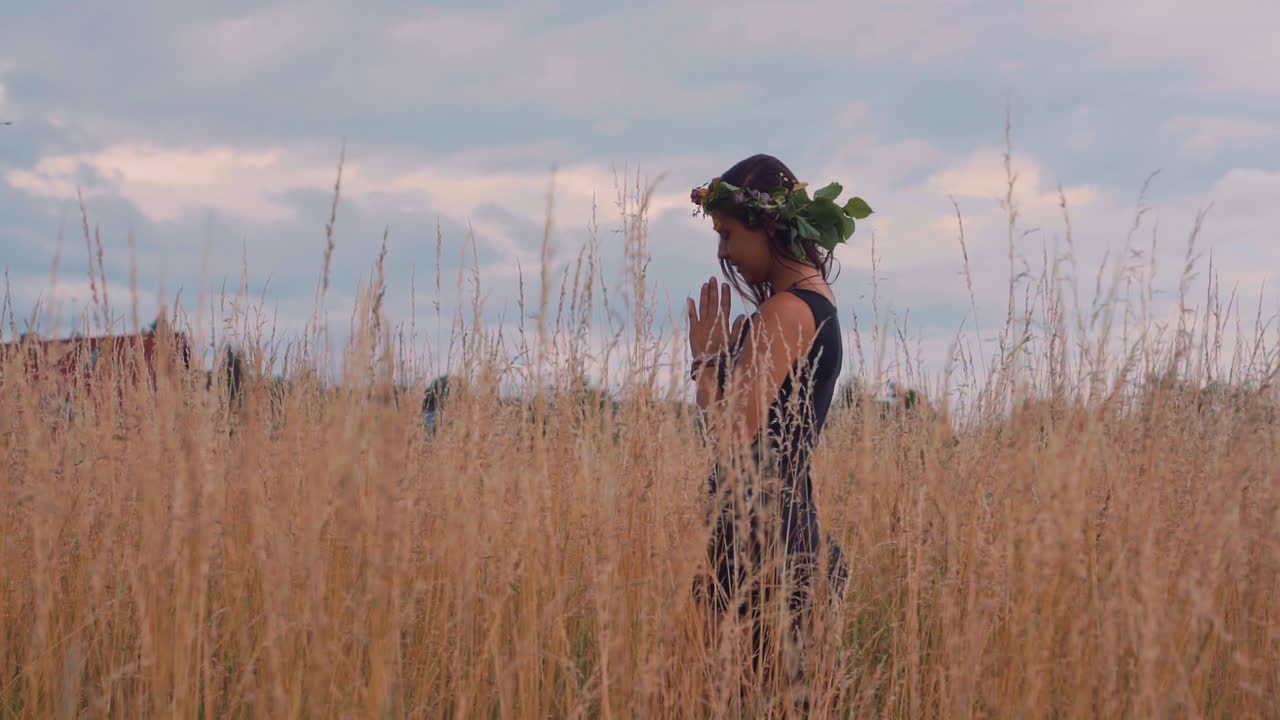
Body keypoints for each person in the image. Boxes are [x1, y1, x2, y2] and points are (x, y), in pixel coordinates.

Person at [686, 154, 871, 696]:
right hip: (780, 530)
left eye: (727, 233)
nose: (723, 252)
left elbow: (731, 443)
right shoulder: (814, 304)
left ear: (767, 226)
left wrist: (708, 366)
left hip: (763, 543)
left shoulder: (786, 311)